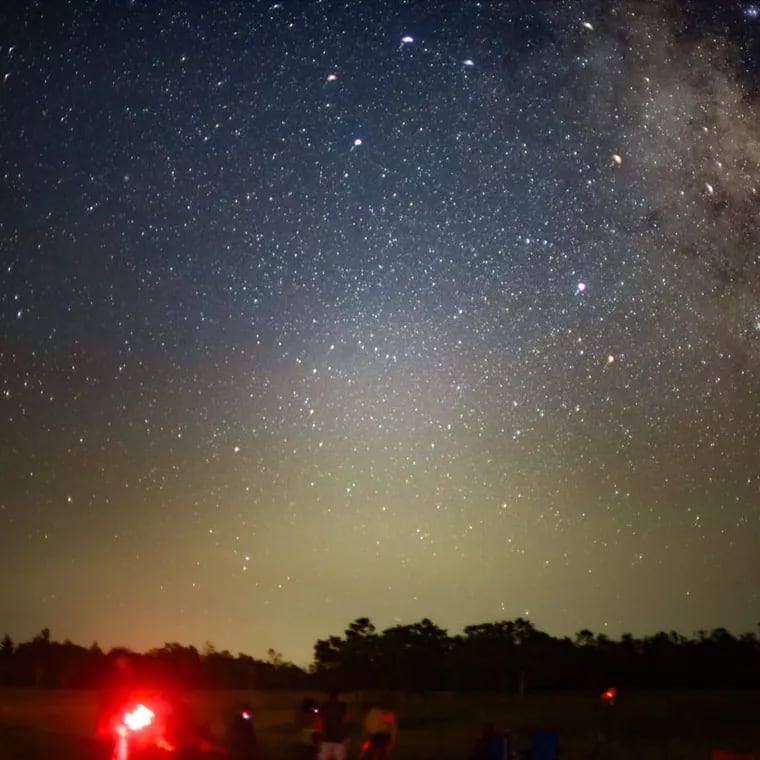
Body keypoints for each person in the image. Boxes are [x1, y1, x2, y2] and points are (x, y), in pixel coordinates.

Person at [317, 689, 349, 760]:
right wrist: (345, 736)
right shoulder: (342, 706)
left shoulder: (324, 705)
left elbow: (319, 721)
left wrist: (320, 735)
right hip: (338, 739)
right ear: (338, 696)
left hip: (326, 738)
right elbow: (345, 720)